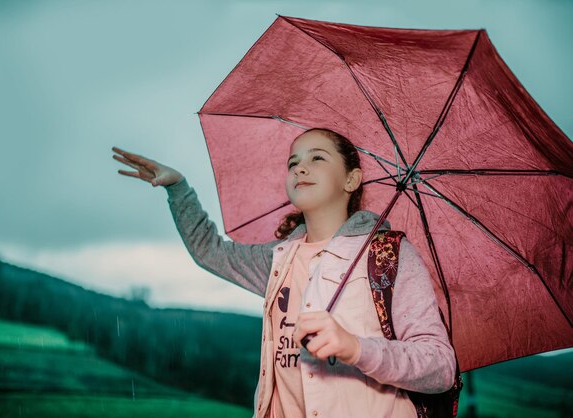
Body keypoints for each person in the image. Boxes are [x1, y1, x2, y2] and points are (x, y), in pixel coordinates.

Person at [112, 128, 457, 418]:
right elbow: (209, 250)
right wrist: (178, 189)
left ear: (352, 179)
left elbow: (440, 367)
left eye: (317, 158)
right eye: (293, 162)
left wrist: (355, 348)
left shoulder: (389, 256)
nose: (300, 168)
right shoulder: (279, 260)